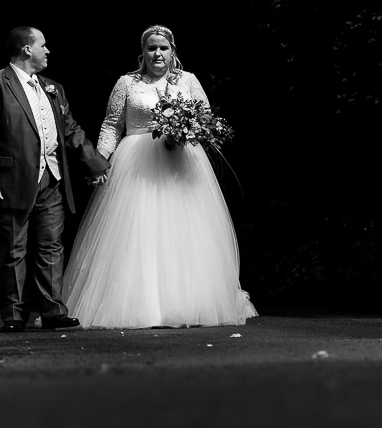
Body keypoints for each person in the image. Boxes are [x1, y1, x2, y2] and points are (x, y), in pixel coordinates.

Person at [63, 25, 257, 329]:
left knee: (185, 232)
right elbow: (112, 125)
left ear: (173, 51)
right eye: (151, 48)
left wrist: (186, 132)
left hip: (182, 163)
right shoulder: (127, 83)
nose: (157, 53)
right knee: (138, 232)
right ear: (142, 52)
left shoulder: (188, 81)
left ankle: (187, 303)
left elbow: (205, 118)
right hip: (136, 165)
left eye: (163, 48)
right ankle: (143, 305)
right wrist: (99, 163)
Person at [0, 26, 110, 333]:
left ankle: (53, 311)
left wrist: (96, 164)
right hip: (11, 181)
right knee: (13, 249)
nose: (48, 51)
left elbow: (70, 130)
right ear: (27, 49)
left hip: (51, 180)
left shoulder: (52, 88)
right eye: (43, 45)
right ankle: (14, 314)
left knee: (51, 246)